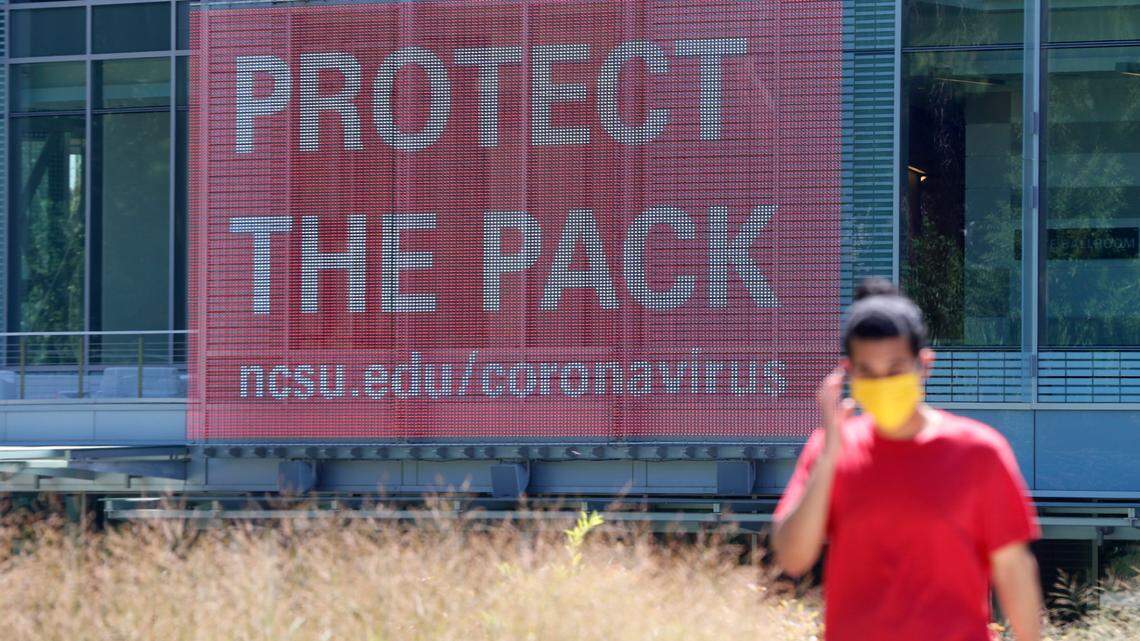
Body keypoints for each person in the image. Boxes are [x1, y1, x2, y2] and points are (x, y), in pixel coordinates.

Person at [771, 277, 1043, 641]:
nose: (882, 382)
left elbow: (1013, 567)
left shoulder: (979, 451)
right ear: (847, 372)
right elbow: (792, 558)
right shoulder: (829, 448)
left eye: (895, 370)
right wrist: (830, 456)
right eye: (868, 372)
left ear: (924, 364)